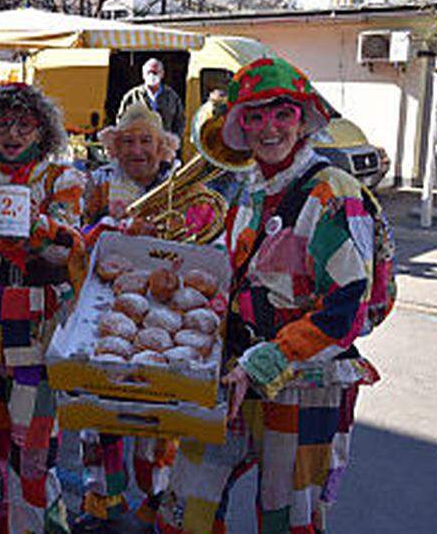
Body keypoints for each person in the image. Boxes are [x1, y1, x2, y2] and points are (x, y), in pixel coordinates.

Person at [156, 57, 382, 534]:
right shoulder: (250, 190)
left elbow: (348, 309)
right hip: (236, 373)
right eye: (254, 116)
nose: (269, 127)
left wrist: (266, 360)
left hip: (304, 384)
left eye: (282, 113)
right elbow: (238, 279)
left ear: (303, 120)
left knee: (287, 520)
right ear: (240, 126)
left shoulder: (334, 193)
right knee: (185, 505)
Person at [0, 84, 86, 533]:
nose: (12, 133)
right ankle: (3, 517)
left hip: (36, 320)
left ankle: (44, 526)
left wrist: (38, 229)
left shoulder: (60, 180)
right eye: (2, 124)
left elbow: (70, 249)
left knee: (32, 442)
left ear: (41, 129)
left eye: (24, 124)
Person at [73, 103, 181, 531]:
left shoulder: (179, 184)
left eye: (146, 141)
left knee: (158, 417)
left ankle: (157, 499)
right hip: (102, 311)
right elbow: (75, 237)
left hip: (164, 315)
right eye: (129, 141)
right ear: (115, 146)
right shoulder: (97, 181)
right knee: (101, 411)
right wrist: (104, 227)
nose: (138, 150)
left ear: (161, 146)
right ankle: (103, 501)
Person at [118, 58, 184, 140]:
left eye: (155, 72)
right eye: (149, 72)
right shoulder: (132, 96)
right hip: (139, 147)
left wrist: (173, 141)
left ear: (162, 74)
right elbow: (121, 121)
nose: (152, 75)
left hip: (163, 146)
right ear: (143, 75)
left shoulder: (172, 97)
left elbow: (180, 122)